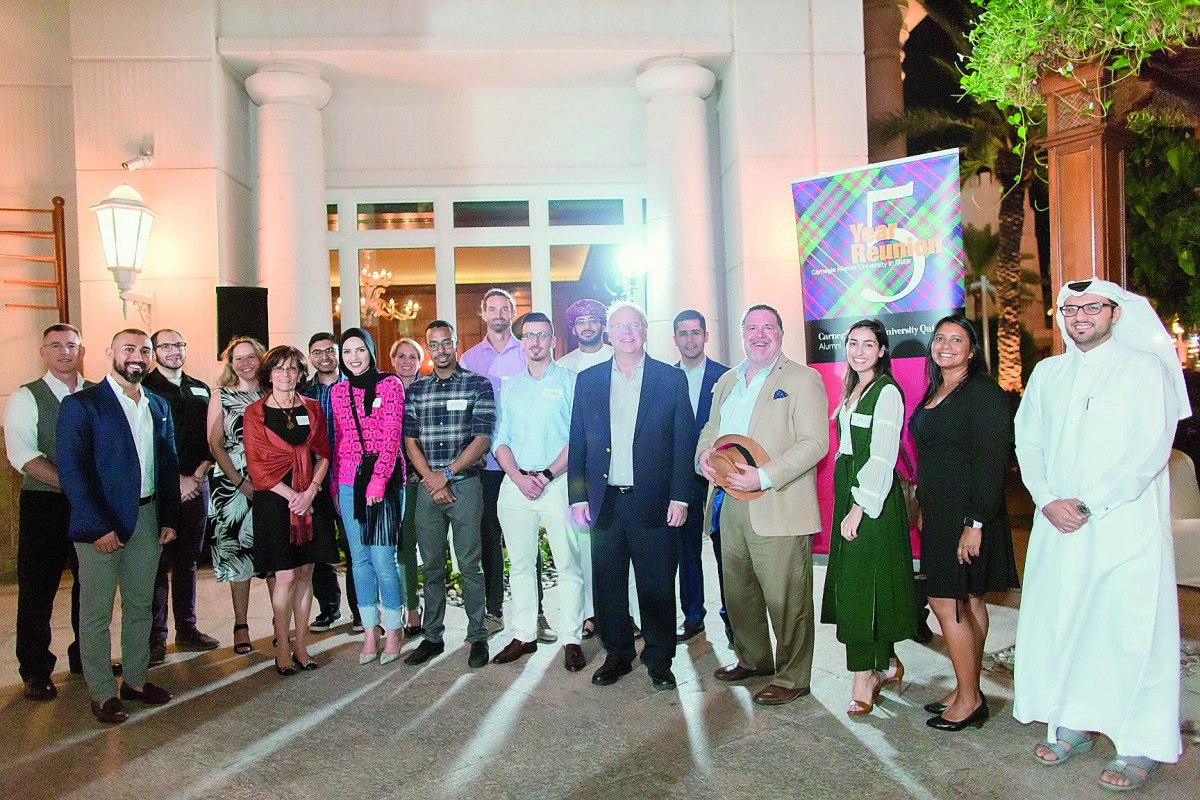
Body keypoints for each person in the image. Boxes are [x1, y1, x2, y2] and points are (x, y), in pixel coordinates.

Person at [1013, 280, 1186, 791]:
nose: (1080, 315)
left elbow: (1151, 450)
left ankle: (1140, 743)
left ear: (1115, 313)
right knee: (1067, 622)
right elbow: (1029, 442)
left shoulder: (1144, 368)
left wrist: (1090, 503)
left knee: (1130, 631)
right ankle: (1074, 722)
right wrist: (1046, 498)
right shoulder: (1048, 372)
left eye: (1092, 307)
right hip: (1058, 524)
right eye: (1070, 308)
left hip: (1123, 527)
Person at [698, 304, 828, 706]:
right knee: (738, 592)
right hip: (728, 502)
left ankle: (793, 677)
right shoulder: (726, 380)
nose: (759, 334)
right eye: (751, 328)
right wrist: (702, 457)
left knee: (786, 598)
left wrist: (765, 475)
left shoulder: (803, 379)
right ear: (741, 334)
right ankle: (754, 659)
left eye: (767, 327)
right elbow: (711, 429)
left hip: (778, 502)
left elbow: (815, 443)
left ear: (780, 332)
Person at [568, 301, 695, 691]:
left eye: (634, 325)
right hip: (604, 501)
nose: (626, 332)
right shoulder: (588, 380)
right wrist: (576, 497)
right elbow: (578, 444)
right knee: (608, 585)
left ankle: (659, 659)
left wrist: (681, 497)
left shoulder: (669, 380)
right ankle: (618, 654)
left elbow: (683, 443)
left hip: (655, 501)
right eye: (619, 326)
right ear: (608, 333)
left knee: (656, 585)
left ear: (644, 331)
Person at [57, 328, 180, 724]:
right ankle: (102, 692)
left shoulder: (158, 405)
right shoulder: (83, 404)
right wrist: (97, 526)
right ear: (110, 352)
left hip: (148, 519)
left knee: (141, 605)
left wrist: (169, 519)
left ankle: (136, 681)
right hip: (102, 524)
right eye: (130, 349)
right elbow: (73, 471)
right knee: (95, 612)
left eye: (145, 350)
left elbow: (168, 465)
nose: (138, 357)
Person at [909, 314, 1018, 731]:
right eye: (940, 338)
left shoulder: (984, 394)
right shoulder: (939, 390)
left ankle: (970, 699)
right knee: (969, 600)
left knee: (946, 601)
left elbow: (992, 462)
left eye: (957, 339)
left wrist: (975, 522)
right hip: (940, 514)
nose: (946, 345)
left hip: (969, 514)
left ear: (973, 350)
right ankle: (966, 687)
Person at [820, 319, 917, 716]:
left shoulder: (887, 392)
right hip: (851, 491)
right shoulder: (853, 387)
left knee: (861, 586)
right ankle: (885, 664)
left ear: (881, 351)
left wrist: (859, 506)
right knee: (865, 580)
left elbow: (882, 455)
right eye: (853, 343)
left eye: (868, 344)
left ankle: (863, 676)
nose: (859, 351)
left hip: (870, 498)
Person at [491, 313, 587, 671]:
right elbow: (500, 440)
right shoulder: (510, 385)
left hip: (558, 484)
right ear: (522, 342)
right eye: (528, 336)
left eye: (541, 335)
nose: (534, 342)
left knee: (568, 564)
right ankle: (524, 635)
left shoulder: (570, 382)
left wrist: (545, 475)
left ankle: (572, 639)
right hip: (516, 487)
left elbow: (577, 439)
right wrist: (517, 476)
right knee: (519, 564)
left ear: (552, 340)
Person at [460, 288, 552, 642]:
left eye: (505, 308)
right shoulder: (470, 359)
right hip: (485, 465)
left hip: (525, 463)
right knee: (489, 539)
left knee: (529, 541)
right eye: (492, 309)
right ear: (483, 314)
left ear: (514, 313)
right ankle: (495, 611)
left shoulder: (527, 351)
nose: (499, 314)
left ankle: (539, 614)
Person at [404, 320, 496, 669]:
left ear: (456, 344)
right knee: (431, 566)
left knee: (470, 564)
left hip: (466, 484)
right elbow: (409, 441)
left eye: (447, 343)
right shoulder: (416, 391)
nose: (441, 349)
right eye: (434, 344)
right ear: (427, 348)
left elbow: (482, 439)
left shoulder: (478, 385)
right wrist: (431, 479)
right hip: (428, 487)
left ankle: (477, 636)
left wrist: (446, 475)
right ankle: (432, 636)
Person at [4, 324, 89, 699]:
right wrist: (73, 484)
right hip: (45, 502)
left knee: (92, 585)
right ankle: (35, 668)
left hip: (90, 505)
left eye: (71, 345)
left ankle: (86, 656)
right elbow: (21, 455)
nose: (64, 352)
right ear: (43, 352)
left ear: (81, 351)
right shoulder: (27, 397)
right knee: (39, 588)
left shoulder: (98, 395)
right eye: (56, 345)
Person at [244, 345, 338, 674]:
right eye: (279, 369)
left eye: (292, 369)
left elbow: (324, 453)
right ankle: (282, 644)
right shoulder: (255, 413)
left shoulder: (312, 408)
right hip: (275, 502)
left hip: (312, 498)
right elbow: (257, 468)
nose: (286, 375)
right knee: (284, 576)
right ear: (268, 374)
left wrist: (310, 491)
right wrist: (293, 497)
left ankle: (301, 643)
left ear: (300, 374)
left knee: (305, 573)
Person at [143, 329, 220, 665]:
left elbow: (212, 437)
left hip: (198, 482)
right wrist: (176, 479)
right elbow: (147, 443)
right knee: (158, 563)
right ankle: (154, 639)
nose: (174, 351)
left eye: (179, 344)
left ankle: (186, 630)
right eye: (166, 346)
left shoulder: (200, 387)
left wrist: (197, 475)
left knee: (188, 560)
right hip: (161, 487)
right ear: (154, 351)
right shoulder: (144, 388)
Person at [331, 328, 407, 666]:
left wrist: (378, 480)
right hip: (349, 481)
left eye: (360, 350)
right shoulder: (337, 391)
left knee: (382, 559)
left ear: (371, 352)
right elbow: (343, 440)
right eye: (347, 352)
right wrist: (337, 486)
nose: (353, 358)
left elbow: (392, 436)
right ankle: (369, 631)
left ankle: (394, 629)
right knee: (358, 560)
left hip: (386, 481)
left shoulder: (390, 385)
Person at [671, 309, 730, 643]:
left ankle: (732, 617)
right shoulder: (664, 378)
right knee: (686, 551)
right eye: (683, 333)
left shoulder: (727, 378)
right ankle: (693, 616)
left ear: (706, 336)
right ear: (675, 338)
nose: (690, 339)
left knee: (725, 551)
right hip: (681, 480)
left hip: (718, 479)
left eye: (696, 332)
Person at [206, 336, 268, 655]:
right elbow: (216, 443)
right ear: (231, 364)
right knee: (239, 557)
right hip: (233, 485)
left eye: (251, 357)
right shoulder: (222, 395)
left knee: (275, 555)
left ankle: (280, 623)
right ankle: (241, 624)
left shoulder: (275, 393)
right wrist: (240, 481)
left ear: (261, 359)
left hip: (274, 483)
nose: (245, 363)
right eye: (238, 358)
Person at [303, 332, 358, 633]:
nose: (324, 357)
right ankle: (328, 608)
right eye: (317, 352)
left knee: (353, 546)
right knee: (321, 547)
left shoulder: (353, 386)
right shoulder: (303, 391)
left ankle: (360, 610)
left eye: (329, 351)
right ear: (310, 356)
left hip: (348, 475)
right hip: (314, 478)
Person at [390, 337, 427, 636]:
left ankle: (430, 606)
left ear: (420, 360)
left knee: (425, 544)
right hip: (391, 479)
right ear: (392, 361)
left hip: (424, 477)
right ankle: (410, 607)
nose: (406, 361)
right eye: (400, 356)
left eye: (412, 356)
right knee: (402, 546)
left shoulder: (427, 389)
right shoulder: (383, 390)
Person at [557, 298, 613, 374]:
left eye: (593, 320)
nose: (587, 326)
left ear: (603, 326)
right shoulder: (563, 366)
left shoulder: (618, 358)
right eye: (581, 322)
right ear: (573, 329)